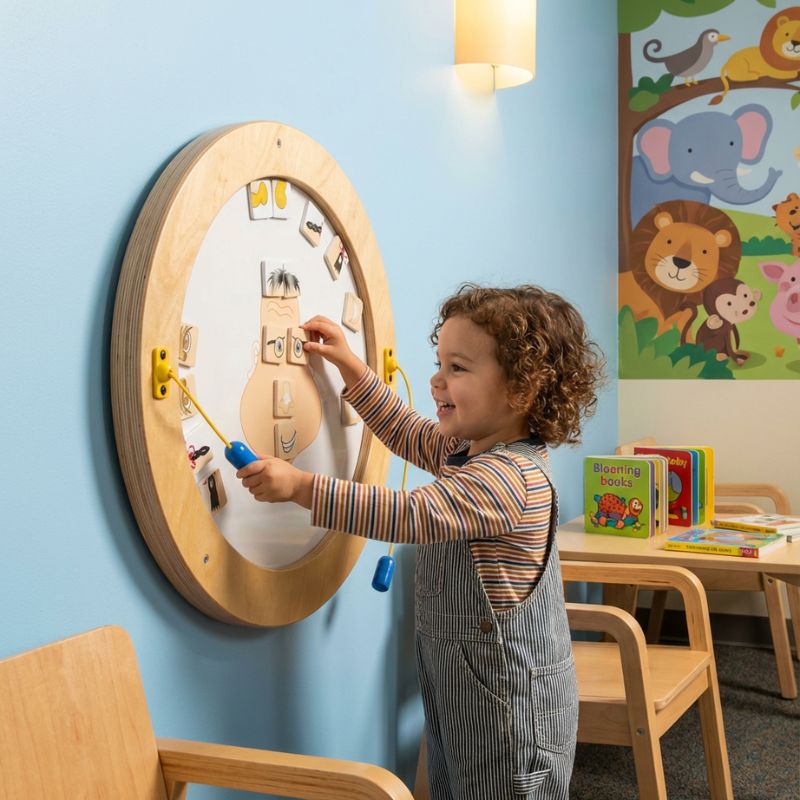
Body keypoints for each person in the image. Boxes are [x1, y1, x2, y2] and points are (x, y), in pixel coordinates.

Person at [236, 283, 605, 800]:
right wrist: (354, 371)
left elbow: (411, 513)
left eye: (457, 368)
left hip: (514, 713)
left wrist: (301, 488)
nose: (436, 379)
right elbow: (408, 432)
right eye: (439, 363)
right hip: (466, 693)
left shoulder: (509, 479)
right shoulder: (469, 451)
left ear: (521, 389)